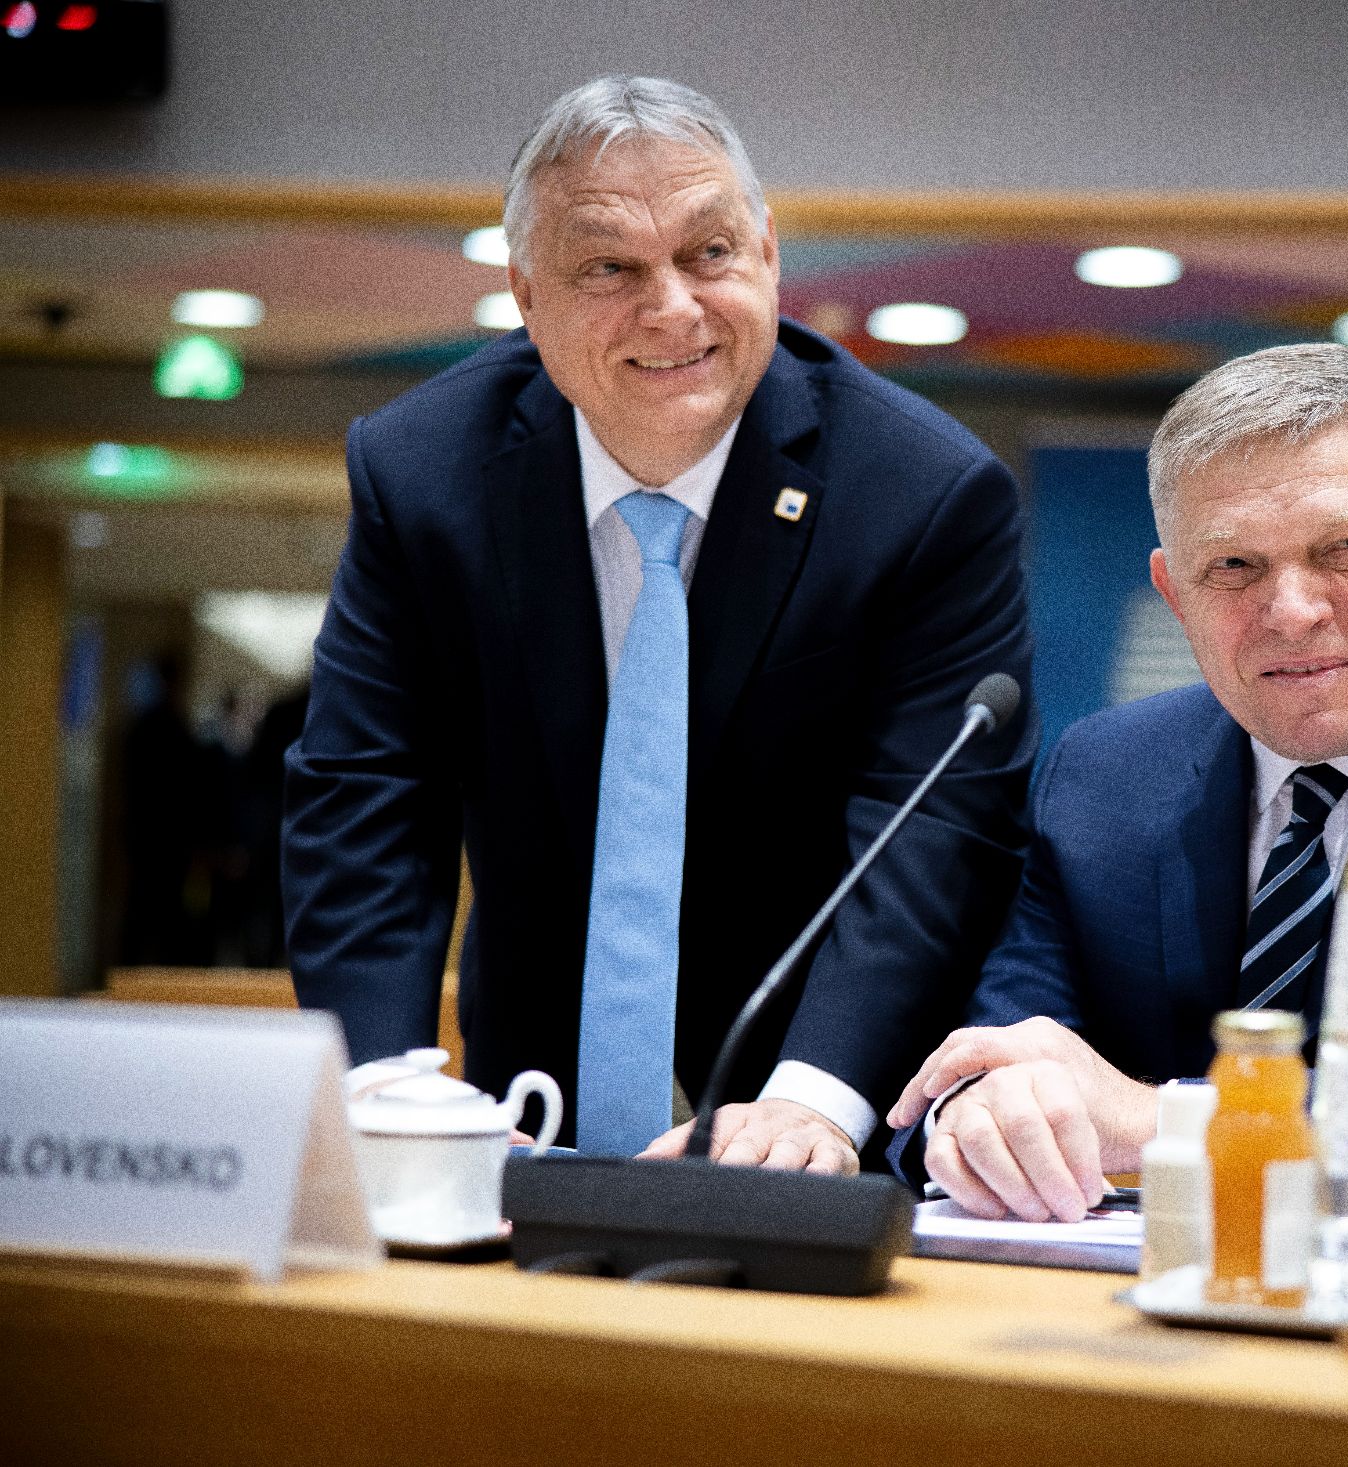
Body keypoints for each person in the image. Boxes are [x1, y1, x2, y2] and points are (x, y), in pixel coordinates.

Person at [285, 77, 1034, 1174]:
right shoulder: (425, 474)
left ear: (768, 254)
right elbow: (364, 800)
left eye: (710, 253)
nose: (673, 307)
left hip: (815, 1113)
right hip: (529, 1115)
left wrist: (816, 1102)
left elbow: (938, 837)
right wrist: (386, 1093)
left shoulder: (923, 496)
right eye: (610, 268)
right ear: (526, 294)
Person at [886, 343, 1348, 1220]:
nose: (1292, 612)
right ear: (1175, 592)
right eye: (1234, 567)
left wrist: (1163, 1122)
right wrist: (983, 1115)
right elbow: (995, 1059)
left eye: (1345, 548)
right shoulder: (1102, 778)